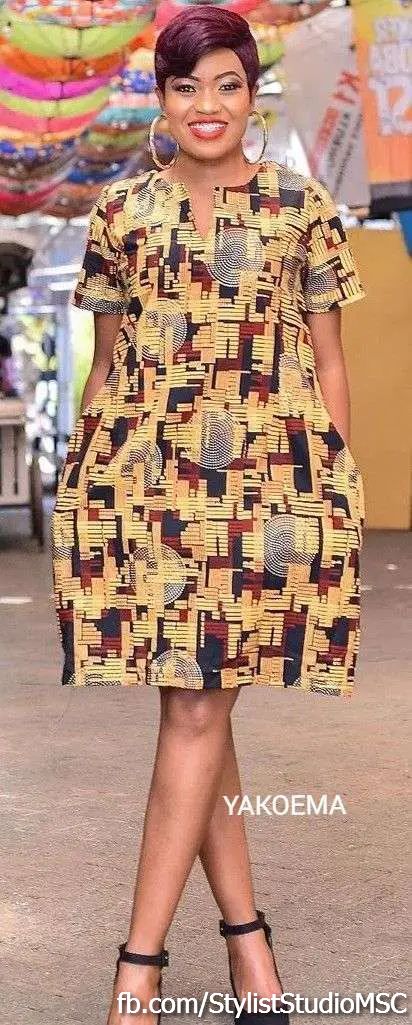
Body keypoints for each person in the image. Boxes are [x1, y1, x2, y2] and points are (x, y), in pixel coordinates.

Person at [51, 6, 366, 1025]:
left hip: (268, 490)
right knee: (198, 712)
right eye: (186, 86)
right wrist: (84, 488)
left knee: (195, 709)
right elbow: (105, 371)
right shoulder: (122, 213)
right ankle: (248, 948)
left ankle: (137, 968)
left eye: (226, 83)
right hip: (147, 490)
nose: (207, 105)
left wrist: (334, 490)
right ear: (161, 96)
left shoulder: (300, 207)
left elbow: (327, 361)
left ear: (250, 94)